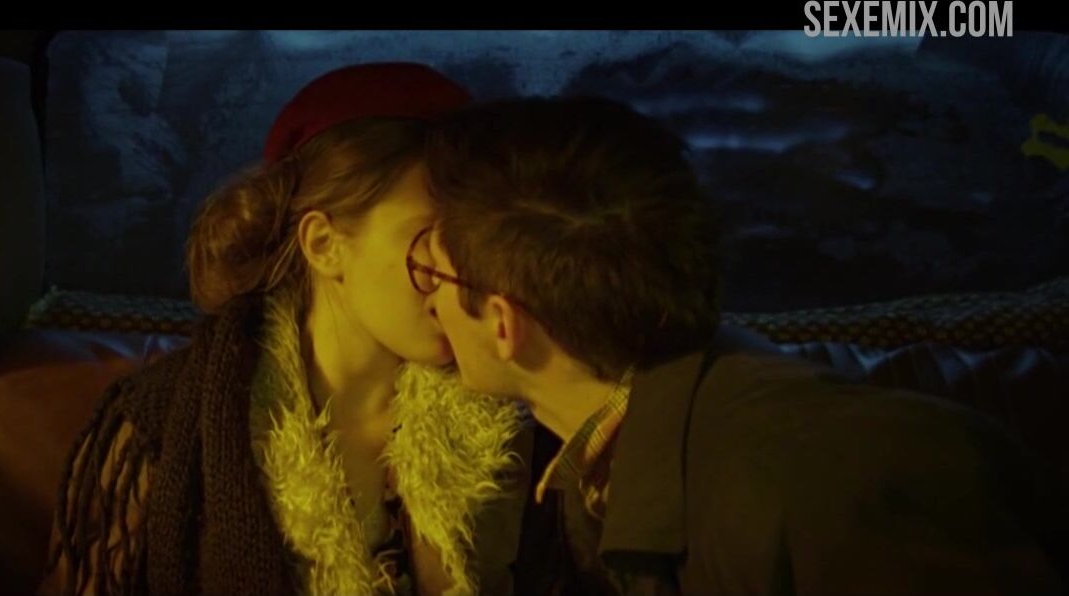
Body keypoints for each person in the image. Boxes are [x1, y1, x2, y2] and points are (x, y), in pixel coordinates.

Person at [415, 95, 1067, 595]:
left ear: (503, 324)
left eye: (432, 271)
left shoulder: (825, 488)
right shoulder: (619, 449)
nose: (426, 300)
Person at [37, 63, 534, 596]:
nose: (463, 279)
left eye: (475, 247)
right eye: (432, 242)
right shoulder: (169, 427)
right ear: (324, 244)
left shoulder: (505, 425)